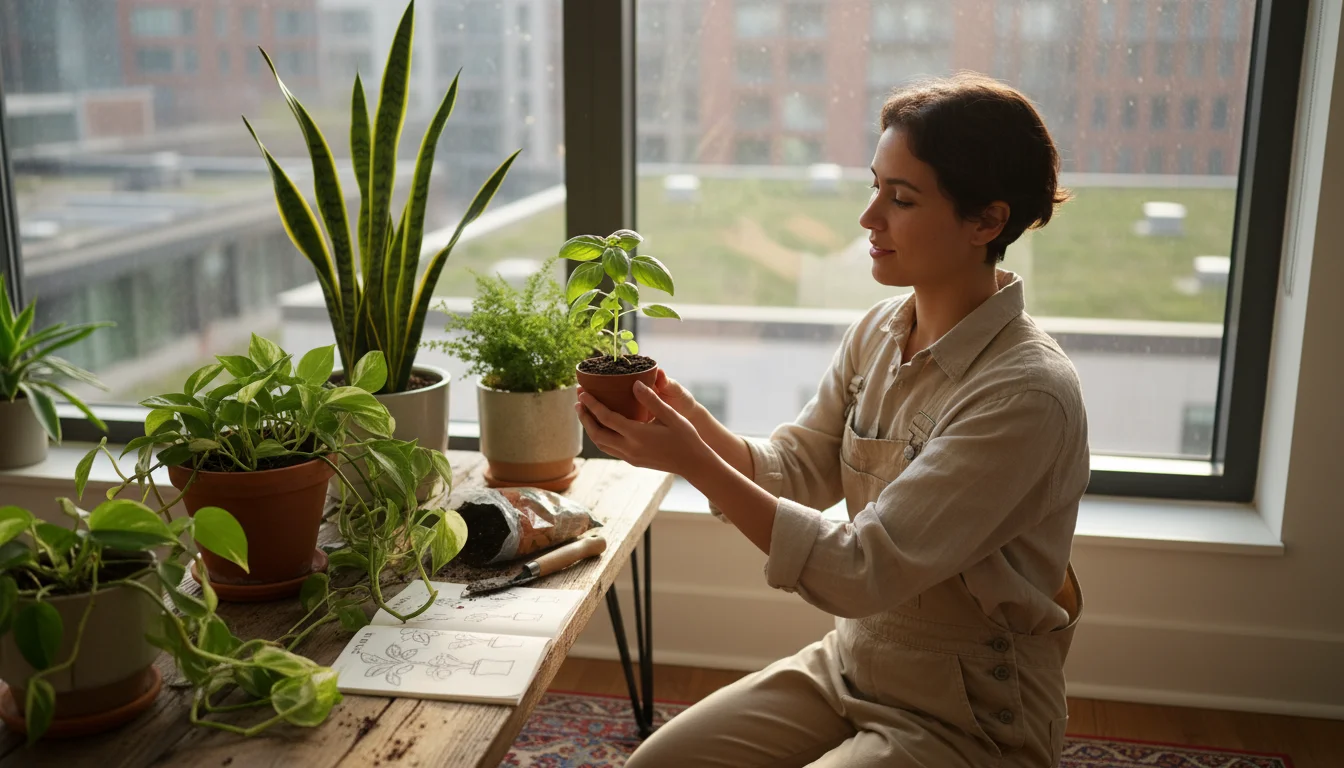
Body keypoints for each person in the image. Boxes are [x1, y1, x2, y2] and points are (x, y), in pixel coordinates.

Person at [575, 72, 1090, 768]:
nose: (869, 218)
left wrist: (692, 461)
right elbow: (794, 470)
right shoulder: (879, 330)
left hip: (968, 715)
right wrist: (687, 422)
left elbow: (858, 570)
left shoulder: (1026, 396)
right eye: (875, 186)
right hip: (850, 664)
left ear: (986, 222)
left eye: (901, 198)